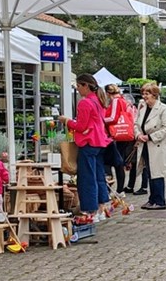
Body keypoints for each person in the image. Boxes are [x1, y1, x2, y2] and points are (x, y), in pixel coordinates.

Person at [58, 73, 111, 221]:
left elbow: (81, 126)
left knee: (87, 177)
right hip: (100, 142)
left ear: (85, 85)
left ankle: (89, 211)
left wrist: (66, 121)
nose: (77, 89)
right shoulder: (99, 100)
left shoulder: (85, 102)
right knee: (99, 175)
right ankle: (101, 208)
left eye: (78, 86)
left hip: (88, 142)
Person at [134, 82, 166, 210]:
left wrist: (150, 137)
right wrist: (138, 135)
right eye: (143, 93)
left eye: (147, 93)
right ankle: (152, 199)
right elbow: (136, 124)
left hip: (157, 145)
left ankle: (160, 201)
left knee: (157, 173)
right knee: (149, 172)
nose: (144, 96)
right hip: (145, 145)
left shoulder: (162, 108)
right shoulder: (142, 107)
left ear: (154, 95)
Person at [104, 84, 137, 194]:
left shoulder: (115, 101)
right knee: (120, 162)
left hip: (116, 134)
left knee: (112, 162)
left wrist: (102, 120)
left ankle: (116, 189)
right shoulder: (123, 100)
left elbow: (113, 118)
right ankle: (120, 189)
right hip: (124, 133)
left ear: (108, 93)